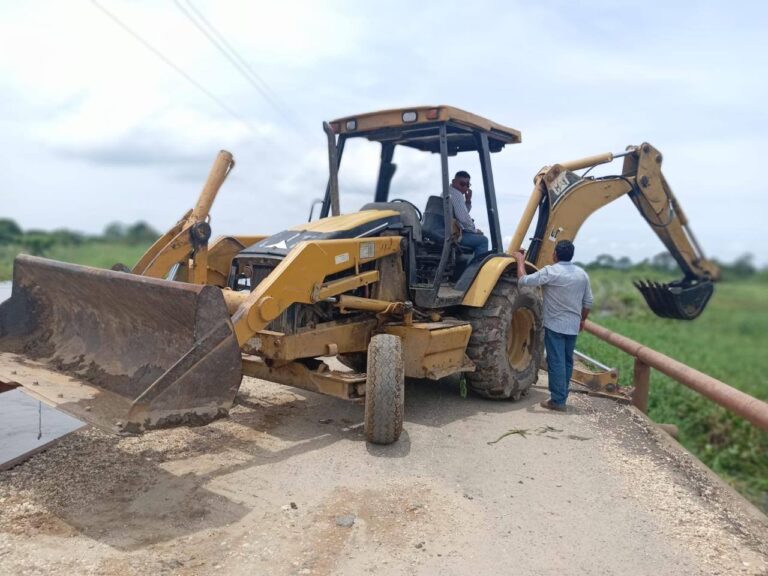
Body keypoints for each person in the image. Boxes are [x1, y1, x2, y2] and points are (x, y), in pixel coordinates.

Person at [514, 240, 593, 412]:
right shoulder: (582, 274)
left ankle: (558, 401)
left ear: (555, 255)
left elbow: (523, 280)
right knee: (566, 361)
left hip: (555, 325)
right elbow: (588, 302)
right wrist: (582, 320)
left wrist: (520, 260)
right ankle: (561, 395)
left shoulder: (551, 272)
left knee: (556, 361)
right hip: (572, 326)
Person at [449, 171, 488, 259]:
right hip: (454, 235)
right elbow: (463, 219)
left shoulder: (448, 192)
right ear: (454, 182)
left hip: (450, 231)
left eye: (467, 185)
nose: (465, 187)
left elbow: (462, 213)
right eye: (462, 184)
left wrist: (468, 201)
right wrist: (474, 231)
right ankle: (476, 270)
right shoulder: (456, 194)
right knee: (483, 241)